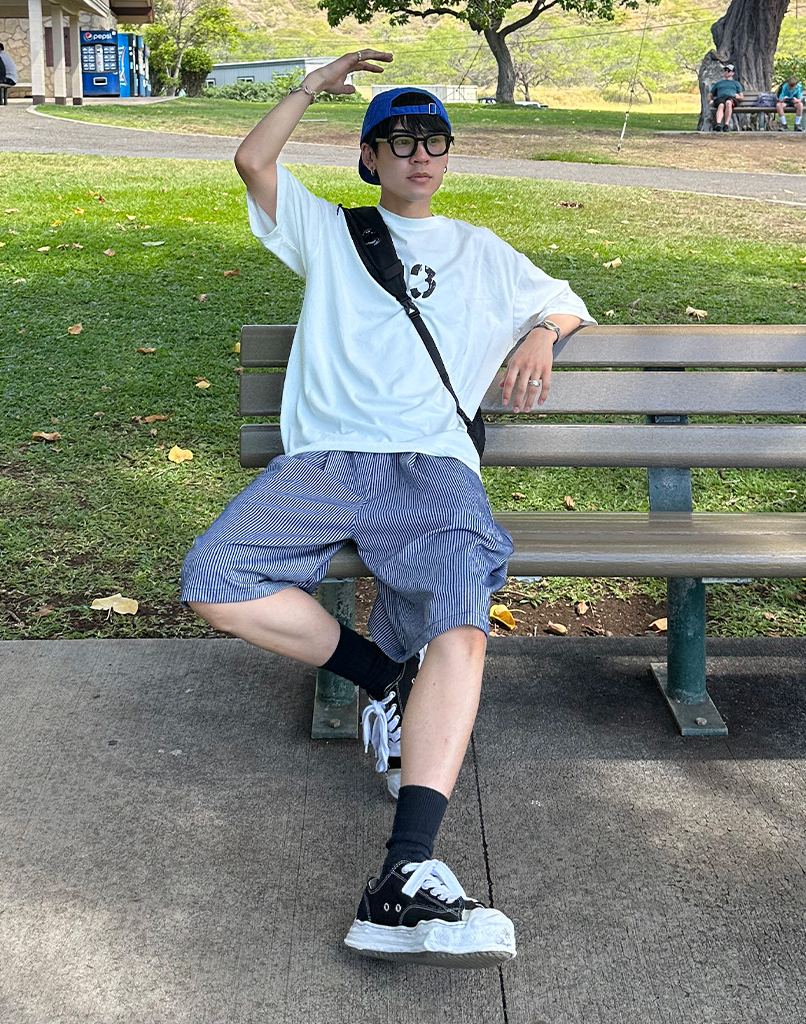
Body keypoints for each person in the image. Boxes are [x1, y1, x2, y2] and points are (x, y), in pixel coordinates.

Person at [181, 49, 594, 968]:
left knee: (461, 616)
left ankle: (406, 869)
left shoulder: (481, 250)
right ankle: (384, 678)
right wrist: (309, 86)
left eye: (433, 141)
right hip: (327, 461)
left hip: (434, 465)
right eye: (399, 141)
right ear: (369, 157)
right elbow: (252, 161)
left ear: (448, 154)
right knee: (214, 576)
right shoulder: (330, 232)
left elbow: (566, 304)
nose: (420, 156)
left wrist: (540, 333)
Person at [708, 64, 744, 131]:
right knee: (721, 105)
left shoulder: (736, 83)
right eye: (725, 70)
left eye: (729, 71)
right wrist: (710, 100)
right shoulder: (719, 83)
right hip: (721, 98)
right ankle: (718, 124)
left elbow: (742, 97)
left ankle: (726, 125)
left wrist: (738, 97)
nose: (726, 72)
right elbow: (710, 94)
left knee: (728, 103)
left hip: (731, 98)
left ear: (732, 73)